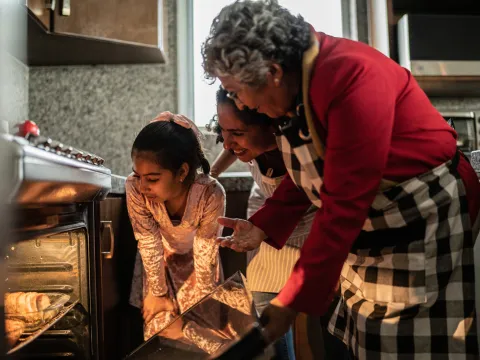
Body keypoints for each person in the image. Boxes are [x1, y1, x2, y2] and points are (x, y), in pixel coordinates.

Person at [201, 1, 480, 359]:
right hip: (375, 237)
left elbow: (344, 202)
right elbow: (311, 172)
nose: (242, 103)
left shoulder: (352, 77)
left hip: (421, 224)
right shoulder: (294, 89)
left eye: (238, 92)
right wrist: (262, 226)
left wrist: (289, 301)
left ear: (271, 71)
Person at [126, 112, 225, 340]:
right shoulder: (135, 188)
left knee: (201, 331)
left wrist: (200, 308)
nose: (142, 186)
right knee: (161, 329)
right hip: (158, 261)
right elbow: (149, 241)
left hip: (200, 263)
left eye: (152, 179)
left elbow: (205, 251)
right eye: (137, 175)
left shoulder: (210, 193)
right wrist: (158, 293)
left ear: (182, 172)